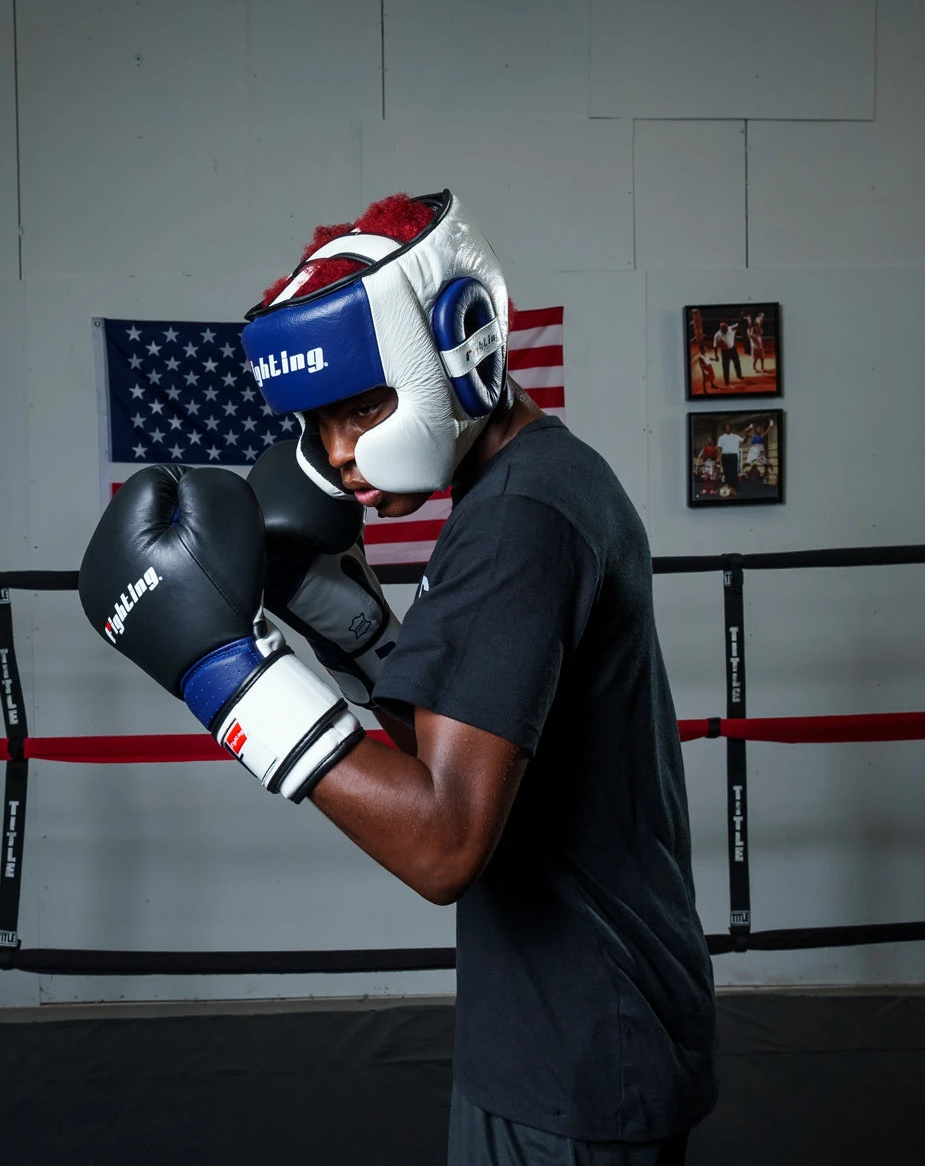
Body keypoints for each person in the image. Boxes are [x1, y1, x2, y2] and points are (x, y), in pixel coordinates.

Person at [78, 191, 717, 1165]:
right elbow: (483, 745)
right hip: (588, 1015)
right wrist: (359, 630)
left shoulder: (516, 525)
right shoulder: (539, 482)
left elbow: (445, 845)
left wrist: (226, 677)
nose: (339, 454)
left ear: (462, 344)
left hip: (577, 1049)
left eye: (365, 407)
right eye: (321, 422)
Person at [712, 319, 741, 387]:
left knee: (737, 362)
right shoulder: (717, 335)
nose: (727, 330)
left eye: (727, 328)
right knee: (725, 367)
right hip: (725, 352)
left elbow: (738, 324)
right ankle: (726, 381)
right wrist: (716, 355)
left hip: (733, 349)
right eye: (725, 329)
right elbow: (715, 346)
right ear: (721, 328)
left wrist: (744, 318)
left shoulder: (730, 328)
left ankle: (739, 375)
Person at [716, 423, 743, 494]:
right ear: (724, 429)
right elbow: (719, 448)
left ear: (731, 428)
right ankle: (727, 487)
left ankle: (735, 487)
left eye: (728, 427)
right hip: (725, 456)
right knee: (726, 472)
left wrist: (746, 434)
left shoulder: (736, 436)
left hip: (733, 456)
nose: (727, 428)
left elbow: (744, 441)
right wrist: (718, 458)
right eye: (726, 427)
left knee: (734, 472)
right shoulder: (721, 437)